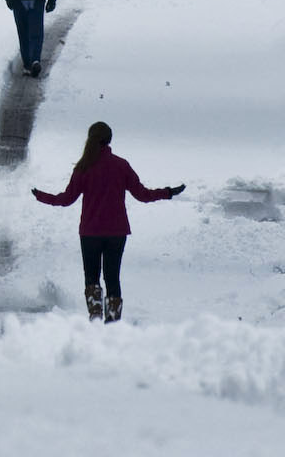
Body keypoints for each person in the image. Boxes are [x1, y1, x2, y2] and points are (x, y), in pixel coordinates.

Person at [31, 120, 183, 323]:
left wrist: (42, 196)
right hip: (117, 232)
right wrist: (167, 193)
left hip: (90, 232)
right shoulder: (121, 165)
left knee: (92, 278)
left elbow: (66, 200)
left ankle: (95, 317)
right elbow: (143, 194)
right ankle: (112, 323)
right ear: (110, 140)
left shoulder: (84, 167)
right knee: (112, 278)